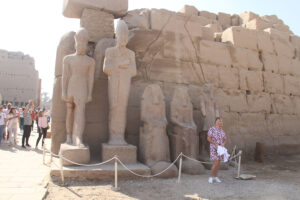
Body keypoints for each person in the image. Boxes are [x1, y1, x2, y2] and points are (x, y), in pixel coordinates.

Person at [207, 117, 227, 184]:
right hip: (213, 147)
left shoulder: (222, 131)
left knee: (218, 163)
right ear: (215, 122)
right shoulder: (212, 129)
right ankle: (211, 177)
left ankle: (215, 176)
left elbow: (225, 139)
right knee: (215, 163)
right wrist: (214, 144)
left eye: (221, 121)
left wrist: (223, 144)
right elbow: (208, 138)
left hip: (220, 149)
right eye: (219, 121)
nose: (220, 122)